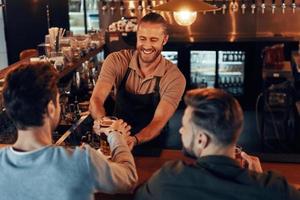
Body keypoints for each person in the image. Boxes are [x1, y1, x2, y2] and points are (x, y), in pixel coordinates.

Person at [0, 63, 138, 200]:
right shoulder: (81, 161)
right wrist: (116, 136)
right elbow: (128, 179)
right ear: (50, 108)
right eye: (59, 101)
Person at [134, 88, 300, 200]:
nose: (181, 131)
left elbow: (137, 194)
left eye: (184, 126)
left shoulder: (168, 180)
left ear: (201, 140)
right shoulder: (276, 189)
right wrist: (260, 180)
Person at [89, 12, 186, 150]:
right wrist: (104, 124)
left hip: (151, 143)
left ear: (164, 40)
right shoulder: (116, 60)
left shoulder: (174, 77)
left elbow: (158, 122)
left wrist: (134, 140)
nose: (146, 46)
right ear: (136, 38)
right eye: (142, 39)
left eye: (153, 40)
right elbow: (96, 100)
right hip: (115, 139)